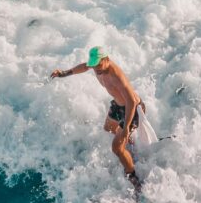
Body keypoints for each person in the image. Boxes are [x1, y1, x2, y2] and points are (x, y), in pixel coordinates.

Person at [51, 47, 146, 194]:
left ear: (106, 59)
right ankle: (129, 145)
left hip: (131, 110)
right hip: (118, 104)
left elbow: (132, 101)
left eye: (98, 65)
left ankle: (135, 180)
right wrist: (64, 73)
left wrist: (126, 127)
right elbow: (83, 66)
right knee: (108, 128)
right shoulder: (96, 65)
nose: (96, 69)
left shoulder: (116, 76)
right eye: (94, 65)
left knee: (116, 148)